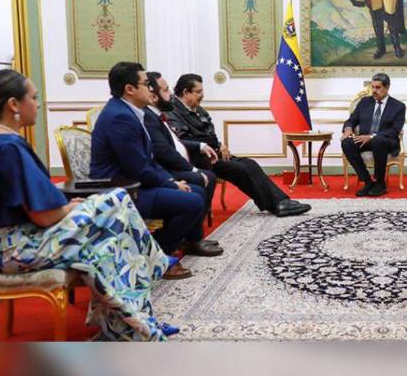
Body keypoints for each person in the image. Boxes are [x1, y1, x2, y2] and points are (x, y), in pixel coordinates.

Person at [0, 70, 172, 340]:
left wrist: (73, 206)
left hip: (4, 243)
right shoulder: (7, 146)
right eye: (34, 97)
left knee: (106, 245)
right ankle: (153, 269)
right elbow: (44, 216)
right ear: (13, 105)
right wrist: (71, 208)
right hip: (11, 248)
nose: (38, 104)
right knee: (116, 200)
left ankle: (134, 324)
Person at [90, 62, 223, 281]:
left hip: (135, 184)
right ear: (130, 89)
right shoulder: (121, 117)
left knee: (196, 192)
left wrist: (170, 181)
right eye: (145, 84)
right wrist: (171, 184)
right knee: (193, 201)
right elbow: (138, 168)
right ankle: (156, 257)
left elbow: (147, 161)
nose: (150, 89)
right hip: (122, 192)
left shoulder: (128, 111)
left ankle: (167, 248)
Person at [167, 74, 311, 218]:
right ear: (185, 92)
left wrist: (218, 144)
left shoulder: (199, 110)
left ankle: (281, 201)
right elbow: (181, 140)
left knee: (250, 163)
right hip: (198, 159)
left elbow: (210, 135)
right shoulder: (172, 111)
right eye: (198, 92)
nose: (202, 95)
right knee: (240, 169)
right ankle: (276, 204)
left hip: (214, 154)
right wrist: (203, 144)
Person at [144, 71, 219, 219]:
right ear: (153, 95)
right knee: (200, 180)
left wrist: (203, 146)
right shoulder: (148, 117)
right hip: (165, 168)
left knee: (211, 175)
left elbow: (175, 142)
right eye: (166, 90)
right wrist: (192, 169)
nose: (171, 94)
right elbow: (163, 151)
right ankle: (192, 227)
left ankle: (197, 224)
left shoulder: (157, 114)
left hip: (183, 159)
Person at [341, 72, 406, 197]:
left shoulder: (398, 106)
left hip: (386, 141)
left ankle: (380, 183)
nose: (374, 91)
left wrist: (372, 136)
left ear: (387, 87)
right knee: (347, 143)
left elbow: (395, 130)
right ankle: (368, 181)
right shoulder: (364, 102)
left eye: (378, 87)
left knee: (378, 140)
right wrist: (348, 129)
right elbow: (351, 120)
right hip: (365, 140)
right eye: (373, 87)